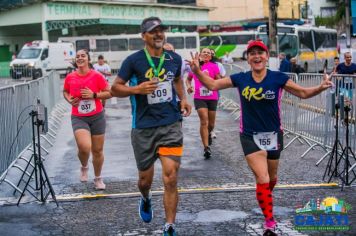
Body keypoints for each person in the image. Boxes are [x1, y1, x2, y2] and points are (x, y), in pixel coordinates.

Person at [186, 40, 332, 236]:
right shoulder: (240, 78)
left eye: (260, 53)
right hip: (249, 135)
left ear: (265, 56)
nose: (256, 56)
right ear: (247, 58)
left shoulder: (277, 78)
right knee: (262, 177)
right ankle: (270, 222)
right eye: (252, 53)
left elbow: (303, 93)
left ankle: (265, 198)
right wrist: (197, 71)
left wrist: (321, 87)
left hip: (273, 134)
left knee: (271, 179)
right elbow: (213, 84)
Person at [110, 17, 191, 236]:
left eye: (161, 30)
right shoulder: (133, 61)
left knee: (171, 176)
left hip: (170, 124)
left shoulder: (174, 58)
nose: (158, 34)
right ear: (143, 36)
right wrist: (137, 89)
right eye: (153, 31)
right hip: (143, 128)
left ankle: (170, 226)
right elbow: (115, 88)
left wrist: (183, 99)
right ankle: (145, 198)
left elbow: (176, 80)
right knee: (145, 180)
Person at [63, 49, 112, 190]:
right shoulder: (70, 77)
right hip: (79, 116)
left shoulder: (97, 76)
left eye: (83, 56)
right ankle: (84, 166)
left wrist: (94, 95)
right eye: (77, 56)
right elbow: (65, 91)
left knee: (97, 150)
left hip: (97, 116)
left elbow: (109, 92)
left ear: (88, 59)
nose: (80, 58)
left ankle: (98, 178)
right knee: (84, 147)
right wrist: (69, 99)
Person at [186, 47, 221, 159]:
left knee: (211, 124)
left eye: (208, 52)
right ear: (200, 54)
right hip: (199, 97)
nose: (206, 54)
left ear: (211, 56)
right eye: (204, 52)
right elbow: (188, 79)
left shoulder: (214, 66)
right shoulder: (195, 66)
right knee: (204, 121)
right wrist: (189, 86)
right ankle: (206, 147)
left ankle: (209, 133)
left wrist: (215, 81)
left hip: (212, 97)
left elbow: (218, 80)